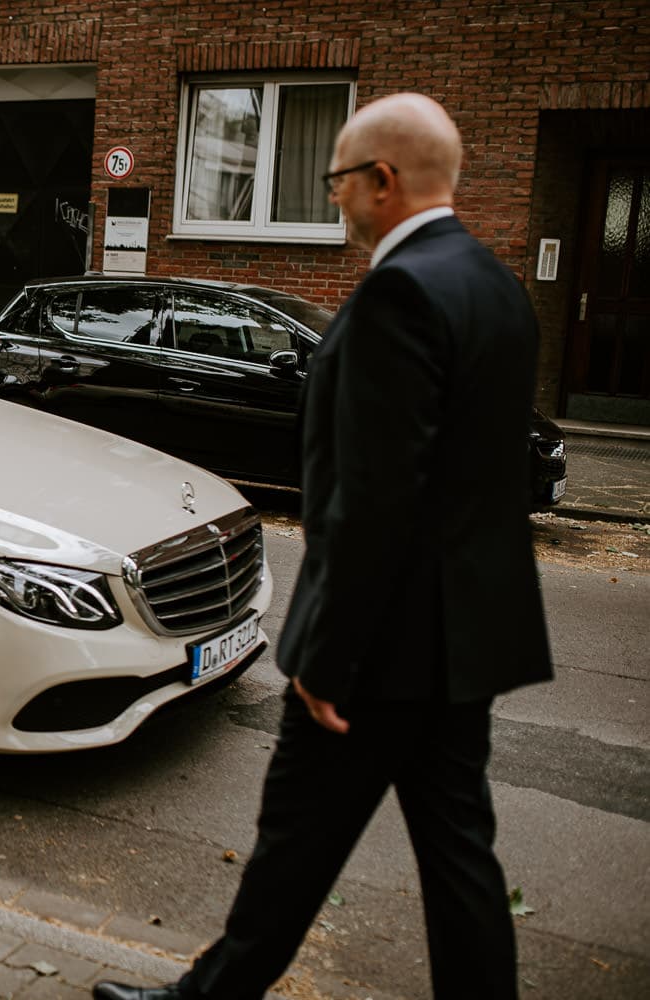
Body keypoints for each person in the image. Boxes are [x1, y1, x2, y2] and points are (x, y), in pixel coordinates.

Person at [94, 93, 552, 1000]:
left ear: (382, 181)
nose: (336, 199)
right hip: (465, 642)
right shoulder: (497, 286)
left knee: (297, 837)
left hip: (375, 653)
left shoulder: (398, 293)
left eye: (339, 179)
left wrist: (330, 658)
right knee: (460, 852)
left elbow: (374, 499)